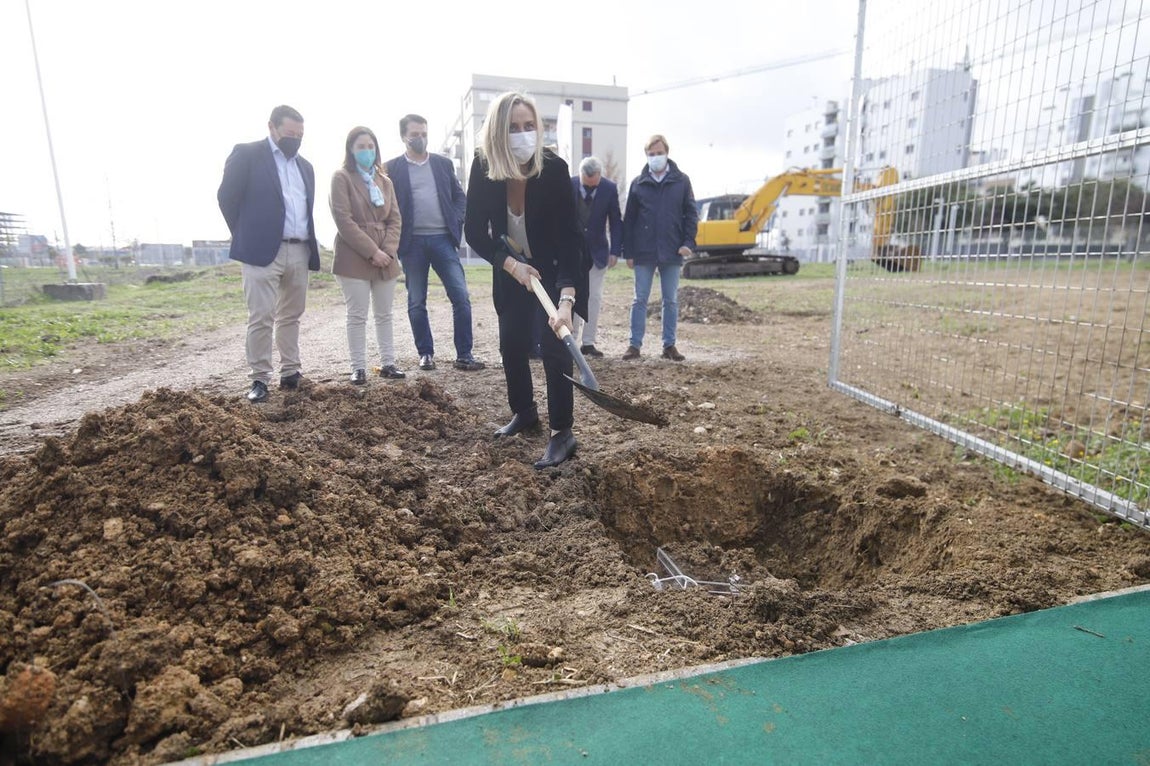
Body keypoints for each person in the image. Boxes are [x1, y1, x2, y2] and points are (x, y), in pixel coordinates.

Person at [464, 91, 587, 469]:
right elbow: (474, 231)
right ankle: (525, 411)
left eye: (529, 126)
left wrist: (567, 299)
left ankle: (562, 433)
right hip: (512, 270)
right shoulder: (485, 166)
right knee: (512, 343)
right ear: (499, 133)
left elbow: (570, 239)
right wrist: (511, 266)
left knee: (554, 349)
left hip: (553, 266)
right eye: (514, 127)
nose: (523, 134)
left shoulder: (553, 168)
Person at [218, 105, 321, 403]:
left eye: (300, 135)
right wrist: (246, 232)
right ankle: (260, 378)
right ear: (272, 128)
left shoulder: (306, 168)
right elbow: (227, 197)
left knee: (292, 315)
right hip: (262, 250)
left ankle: (291, 372)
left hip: (299, 248)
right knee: (261, 316)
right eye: (290, 133)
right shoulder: (248, 155)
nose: (295, 139)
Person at [386, 114, 485, 373]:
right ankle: (426, 354)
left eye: (424, 134)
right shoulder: (391, 168)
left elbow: (459, 197)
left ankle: (464, 354)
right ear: (403, 136)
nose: (420, 139)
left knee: (460, 296)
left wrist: (457, 219)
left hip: (443, 240)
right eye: (415, 134)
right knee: (416, 300)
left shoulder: (442, 164)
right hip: (412, 243)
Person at [329, 126, 405, 385]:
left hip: (387, 254)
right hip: (354, 256)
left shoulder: (385, 181)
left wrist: (388, 251)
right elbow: (343, 220)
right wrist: (372, 252)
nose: (367, 151)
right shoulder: (341, 177)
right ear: (351, 150)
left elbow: (395, 218)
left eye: (371, 146)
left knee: (385, 314)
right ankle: (358, 367)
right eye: (361, 147)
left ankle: (388, 363)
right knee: (357, 314)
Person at [621, 134, 698, 362]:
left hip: (673, 250)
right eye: (651, 154)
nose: (655, 157)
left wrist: (688, 242)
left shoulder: (681, 181)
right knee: (640, 299)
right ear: (647, 156)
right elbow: (630, 220)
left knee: (671, 300)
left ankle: (669, 345)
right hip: (643, 251)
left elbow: (691, 214)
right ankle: (634, 345)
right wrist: (629, 252)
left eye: (659, 153)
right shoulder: (638, 183)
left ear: (667, 153)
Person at [570, 156, 622, 358]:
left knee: (594, 297)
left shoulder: (609, 188)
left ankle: (588, 343)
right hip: (572, 251)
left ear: (600, 176)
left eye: (594, 183)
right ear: (580, 175)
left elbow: (616, 221)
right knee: (571, 295)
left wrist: (615, 251)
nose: (590, 187)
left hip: (598, 252)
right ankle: (571, 341)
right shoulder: (569, 184)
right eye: (586, 183)